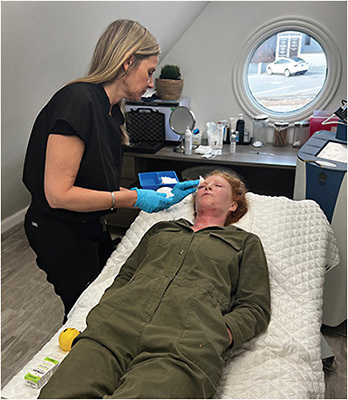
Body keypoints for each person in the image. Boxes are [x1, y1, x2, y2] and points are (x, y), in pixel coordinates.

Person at [39, 170, 271, 399]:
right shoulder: (162, 229)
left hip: (184, 345)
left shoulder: (244, 243)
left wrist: (217, 333)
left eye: (218, 186)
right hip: (113, 329)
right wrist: (110, 308)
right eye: (203, 186)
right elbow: (126, 274)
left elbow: (255, 307)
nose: (207, 187)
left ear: (233, 205)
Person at [22, 19, 198, 319]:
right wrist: (133, 198)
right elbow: (59, 195)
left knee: (103, 293)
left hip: (89, 225)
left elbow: (95, 182)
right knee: (82, 311)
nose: (152, 83)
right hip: (58, 230)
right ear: (128, 61)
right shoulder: (78, 101)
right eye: (150, 72)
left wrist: (151, 191)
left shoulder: (112, 112)